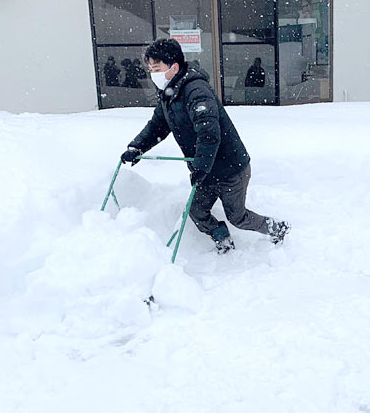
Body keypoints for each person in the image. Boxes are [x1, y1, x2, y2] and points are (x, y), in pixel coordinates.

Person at [120, 38, 290, 254]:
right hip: (206, 169)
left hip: (231, 168)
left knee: (237, 217)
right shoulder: (168, 96)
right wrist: (137, 148)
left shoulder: (196, 90)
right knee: (197, 211)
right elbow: (156, 127)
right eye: (150, 68)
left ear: (174, 67)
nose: (152, 73)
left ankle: (277, 228)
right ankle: (223, 239)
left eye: (157, 68)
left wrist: (201, 166)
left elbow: (209, 133)